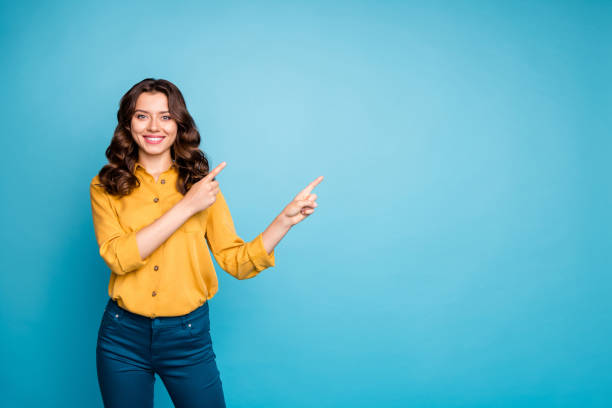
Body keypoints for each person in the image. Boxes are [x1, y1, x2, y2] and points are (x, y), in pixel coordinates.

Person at [90, 78, 323, 408]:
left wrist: (283, 220)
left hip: (187, 337)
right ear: (128, 123)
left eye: (166, 116)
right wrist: (187, 207)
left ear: (179, 124)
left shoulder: (202, 187)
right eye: (142, 116)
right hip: (121, 336)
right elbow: (119, 257)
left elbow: (236, 261)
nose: (154, 126)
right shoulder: (105, 186)